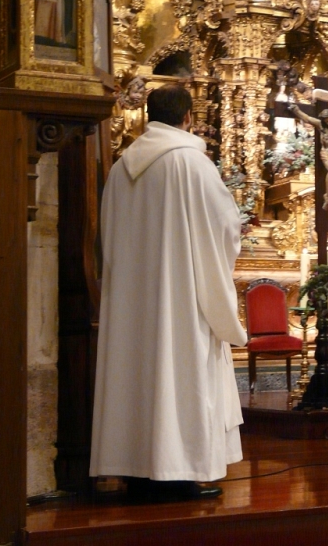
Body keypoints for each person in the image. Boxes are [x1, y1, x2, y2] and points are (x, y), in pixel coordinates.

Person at [90, 84, 247, 501]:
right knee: (182, 373)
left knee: (137, 374)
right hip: (181, 299)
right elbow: (224, 227)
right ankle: (178, 471)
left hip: (132, 301)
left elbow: (107, 237)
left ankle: (137, 469)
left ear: (147, 117)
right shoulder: (192, 163)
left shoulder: (122, 168)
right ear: (188, 118)